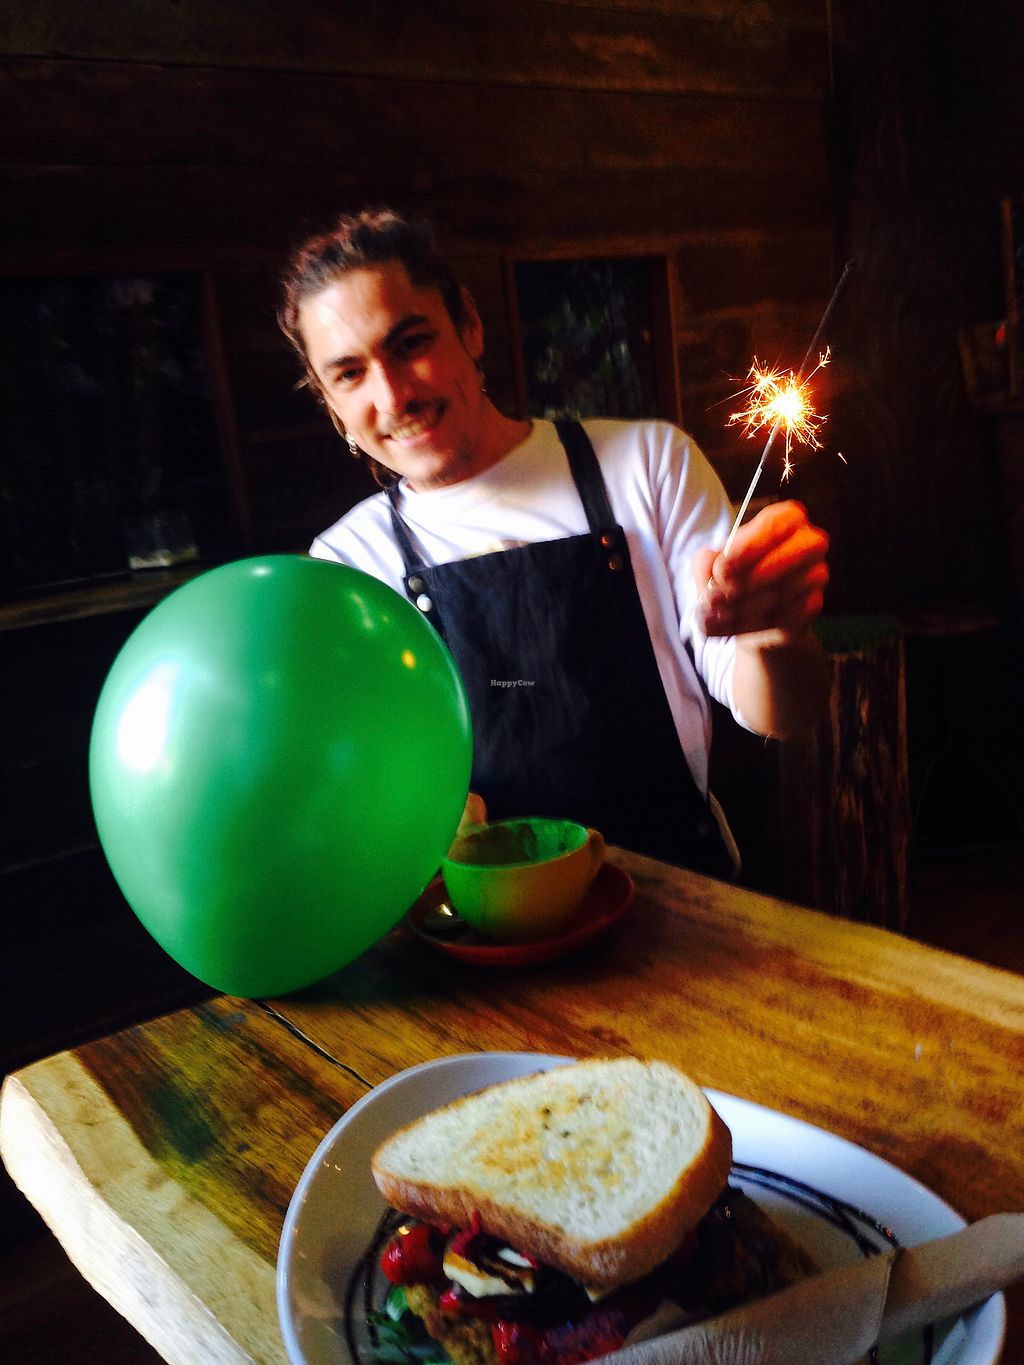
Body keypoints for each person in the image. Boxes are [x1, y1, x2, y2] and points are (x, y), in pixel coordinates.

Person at [278, 209, 831, 877]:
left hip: (682, 895)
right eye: (349, 374)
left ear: (470, 326)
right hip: (490, 915)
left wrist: (773, 636)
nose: (393, 395)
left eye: (411, 343)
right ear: (331, 403)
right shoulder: (347, 565)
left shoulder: (645, 463)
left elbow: (783, 716)